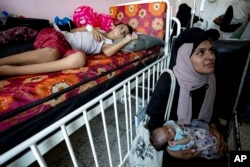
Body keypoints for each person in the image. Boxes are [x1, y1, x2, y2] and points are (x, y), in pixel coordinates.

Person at [146, 27, 228, 166]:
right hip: (174, 146)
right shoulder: (168, 80)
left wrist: (214, 128)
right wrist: (171, 150)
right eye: (200, 52)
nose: (211, 57)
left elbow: (213, 110)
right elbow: (153, 124)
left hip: (202, 138)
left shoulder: (211, 78)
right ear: (185, 56)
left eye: (211, 50)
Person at [0, 23, 138, 76]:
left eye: (125, 33)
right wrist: (89, 28)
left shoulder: (109, 43)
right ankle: (4, 65)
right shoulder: (98, 29)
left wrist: (128, 40)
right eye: (122, 28)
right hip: (60, 38)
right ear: (115, 26)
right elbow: (73, 30)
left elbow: (108, 52)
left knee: (80, 58)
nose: (122, 32)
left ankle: (11, 70)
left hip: (67, 49)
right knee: (51, 53)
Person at [150, 120, 220, 160]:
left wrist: (177, 123)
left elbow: (174, 123)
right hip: (197, 142)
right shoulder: (175, 145)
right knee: (213, 147)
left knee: (210, 135)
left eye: (166, 128)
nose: (170, 129)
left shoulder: (169, 125)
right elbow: (188, 139)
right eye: (169, 133)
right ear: (169, 141)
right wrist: (176, 142)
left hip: (198, 132)